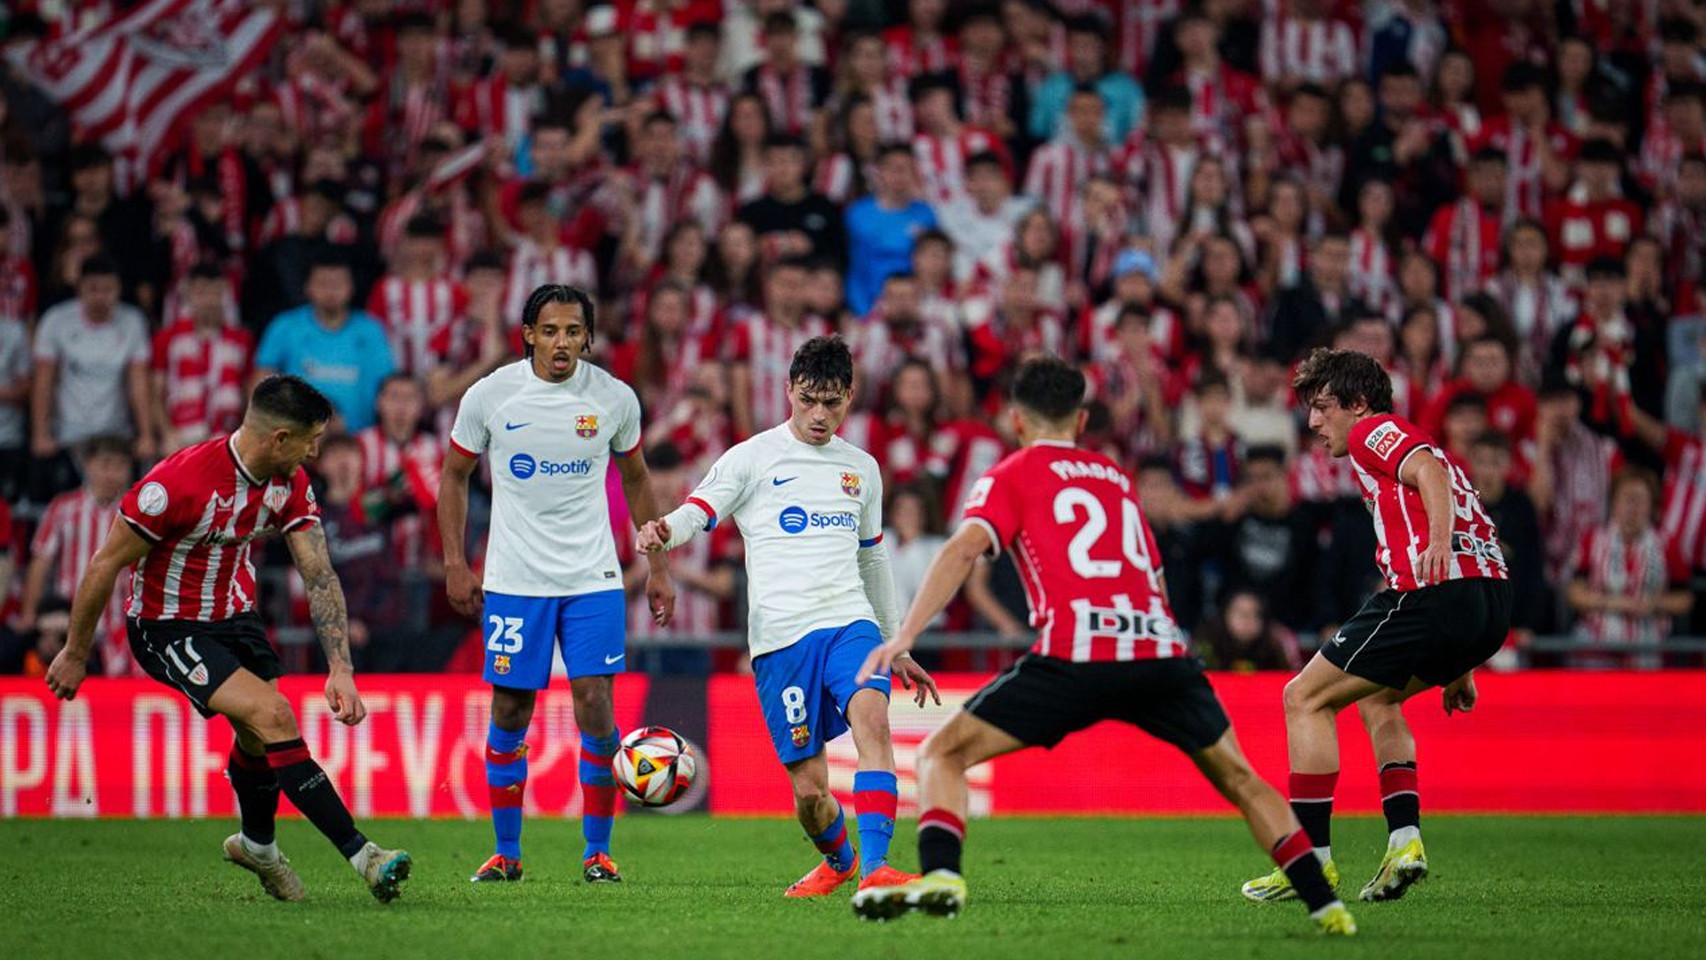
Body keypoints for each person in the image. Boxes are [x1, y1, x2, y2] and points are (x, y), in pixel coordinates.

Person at [850, 356, 1354, 935]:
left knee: (942, 754)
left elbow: (963, 549)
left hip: (1076, 655)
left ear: (1017, 421)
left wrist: (906, 633)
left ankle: (942, 877)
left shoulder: (1012, 474)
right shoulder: (1116, 479)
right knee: (1242, 780)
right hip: (1160, 653)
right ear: (1082, 420)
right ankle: (1326, 905)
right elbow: (1155, 578)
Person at [42, 375, 411, 903]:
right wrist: (76, 652)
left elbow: (320, 574)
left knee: (260, 736)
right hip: (166, 626)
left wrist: (341, 667)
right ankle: (364, 856)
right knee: (275, 715)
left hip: (237, 617)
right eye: (310, 441)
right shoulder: (176, 484)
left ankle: (258, 845)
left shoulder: (290, 482)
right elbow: (105, 565)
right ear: (278, 439)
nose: (315, 453)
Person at [636, 335, 938, 898]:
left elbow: (872, 558)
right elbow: (699, 510)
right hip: (780, 640)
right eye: (808, 400)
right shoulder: (751, 457)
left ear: (850, 396)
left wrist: (898, 643)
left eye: (832, 402)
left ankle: (875, 870)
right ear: (788, 392)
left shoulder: (862, 470)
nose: (820, 415)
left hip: (850, 622)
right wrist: (663, 531)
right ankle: (840, 860)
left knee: (873, 721)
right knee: (810, 793)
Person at [1241, 348, 1510, 906]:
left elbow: (1427, 473)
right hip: (1488, 602)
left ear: (1357, 404)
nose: (1313, 423)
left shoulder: (1374, 431)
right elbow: (1440, 480)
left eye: (1322, 408)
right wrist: (1460, 659)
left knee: (1303, 698)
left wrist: (1436, 543)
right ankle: (1404, 842)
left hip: (1434, 591)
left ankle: (1308, 863)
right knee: (1378, 700)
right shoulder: (1408, 444)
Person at [439, 284, 676, 885]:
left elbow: (640, 480)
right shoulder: (490, 395)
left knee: (595, 702)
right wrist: (454, 563)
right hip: (515, 579)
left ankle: (597, 852)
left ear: (589, 338)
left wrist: (659, 566)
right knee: (512, 706)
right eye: (550, 331)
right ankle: (506, 852)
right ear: (527, 335)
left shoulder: (614, 399)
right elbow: (454, 476)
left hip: (591, 576)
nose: (562, 343)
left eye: (573, 331)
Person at [253, 253, 396, 432]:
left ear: (351, 287)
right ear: (307, 287)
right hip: (295, 439)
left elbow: (390, 387)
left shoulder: (371, 330)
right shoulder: (285, 326)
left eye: (337, 284)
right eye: (323, 283)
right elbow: (261, 383)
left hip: (358, 442)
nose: (331, 291)